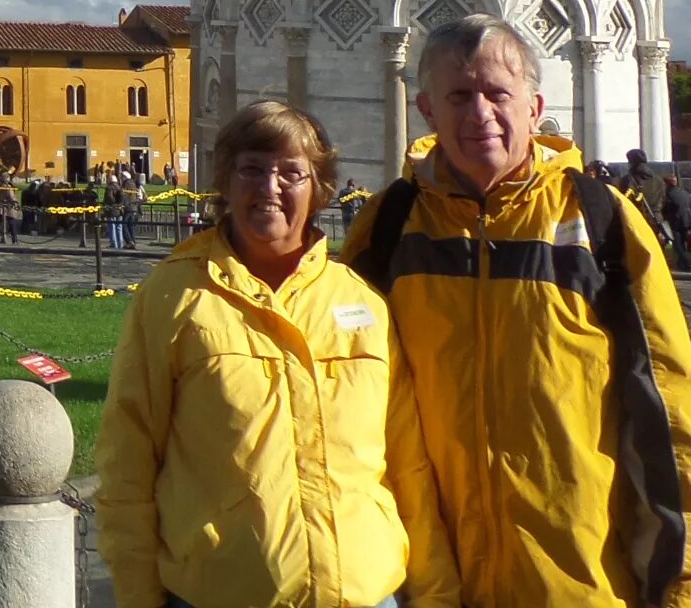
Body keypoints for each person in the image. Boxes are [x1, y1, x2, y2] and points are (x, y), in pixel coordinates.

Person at [346, 14, 691, 608]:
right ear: (427, 112)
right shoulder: (388, 227)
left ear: (534, 104)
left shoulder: (600, 220)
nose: (480, 115)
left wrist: (679, 587)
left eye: (498, 94)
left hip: (577, 577)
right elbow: (343, 396)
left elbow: (668, 408)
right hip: (428, 577)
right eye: (459, 96)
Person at [98, 100, 458, 608]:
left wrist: (437, 595)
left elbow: (408, 466)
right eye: (252, 170)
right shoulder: (174, 297)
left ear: (318, 190)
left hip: (365, 594)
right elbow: (126, 467)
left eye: (292, 173)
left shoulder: (361, 303)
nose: (270, 188)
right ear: (226, 180)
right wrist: (139, 597)